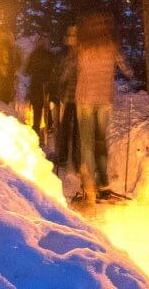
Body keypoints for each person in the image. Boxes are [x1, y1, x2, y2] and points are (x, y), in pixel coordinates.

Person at [74, 10, 132, 206]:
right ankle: (104, 185)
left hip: (84, 101)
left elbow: (74, 69)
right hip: (104, 100)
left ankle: (88, 186)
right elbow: (127, 69)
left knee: (87, 145)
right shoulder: (111, 46)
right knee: (100, 142)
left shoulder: (83, 47)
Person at [55, 24, 81, 173]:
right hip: (71, 97)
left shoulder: (77, 54)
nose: (70, 40)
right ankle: (66, 157)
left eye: (72, 36)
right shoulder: (71, 54)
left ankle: (74, 160)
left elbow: (66, 72)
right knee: (67, 128)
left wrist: (62, 79)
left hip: (78, 97)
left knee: (74, 130)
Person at [25, 36, 54, 140]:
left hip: (36, 85)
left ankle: (36, 130)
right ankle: (49, 127)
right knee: (46, 107)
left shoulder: (34, 54)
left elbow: (27, 70)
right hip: (46, 85)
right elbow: (53, 69)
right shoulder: (50, 55)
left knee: (37, 109)